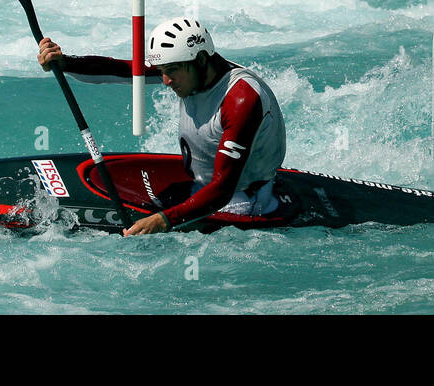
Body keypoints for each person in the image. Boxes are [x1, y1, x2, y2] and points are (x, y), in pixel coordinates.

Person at [36, 18, 286, 234]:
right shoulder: (191, 69)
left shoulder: (241, 99)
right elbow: (121, 70)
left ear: (200, 59)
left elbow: (223, 189)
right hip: (200, 186)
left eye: (171, 72)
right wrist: (64, 62)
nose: (165, 81)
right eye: (161, 71)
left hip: (240, 203)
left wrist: (164, 221)